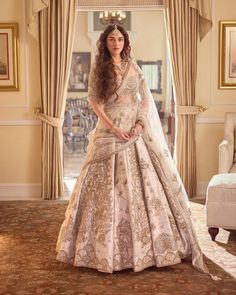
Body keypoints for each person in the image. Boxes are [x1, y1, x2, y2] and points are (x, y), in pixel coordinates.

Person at [56, 24, 212, 277]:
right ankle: (102, 250)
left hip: (135, 131)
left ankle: (150, 248)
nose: (116, 42)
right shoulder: (100, 68)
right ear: (105, 43)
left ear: (125, 42)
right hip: (110, 132)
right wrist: (113, 128)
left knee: (146, 185)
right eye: (111, 39)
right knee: (105, 189)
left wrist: (140, 124)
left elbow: (145, 100)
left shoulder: (134, 67)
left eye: (119, 38)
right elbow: (94, 102)